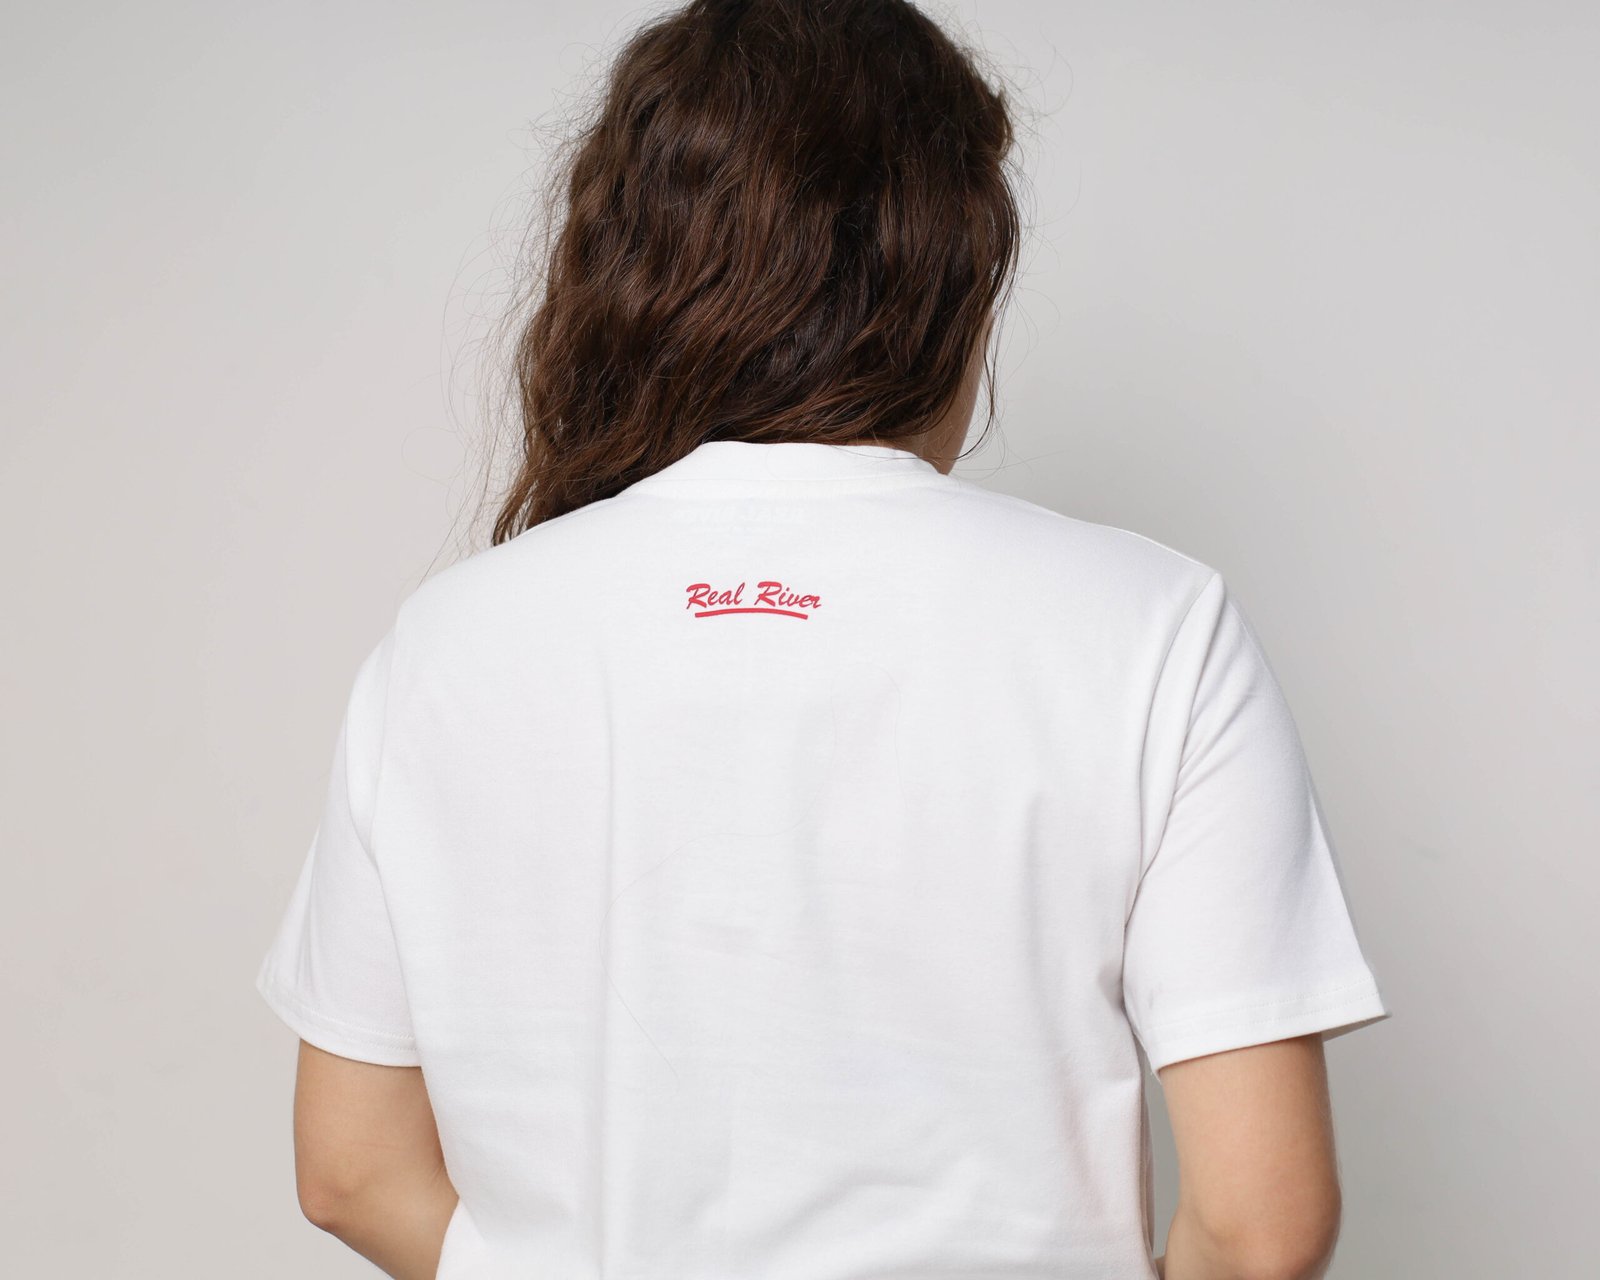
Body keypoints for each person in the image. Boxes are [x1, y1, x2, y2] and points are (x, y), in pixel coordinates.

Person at [253, 2, 1391, 1277]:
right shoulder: (1153, 626)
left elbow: (351, 1167)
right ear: (950, 278)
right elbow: (1258, 1225)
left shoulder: (450, 642)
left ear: (629, 275)